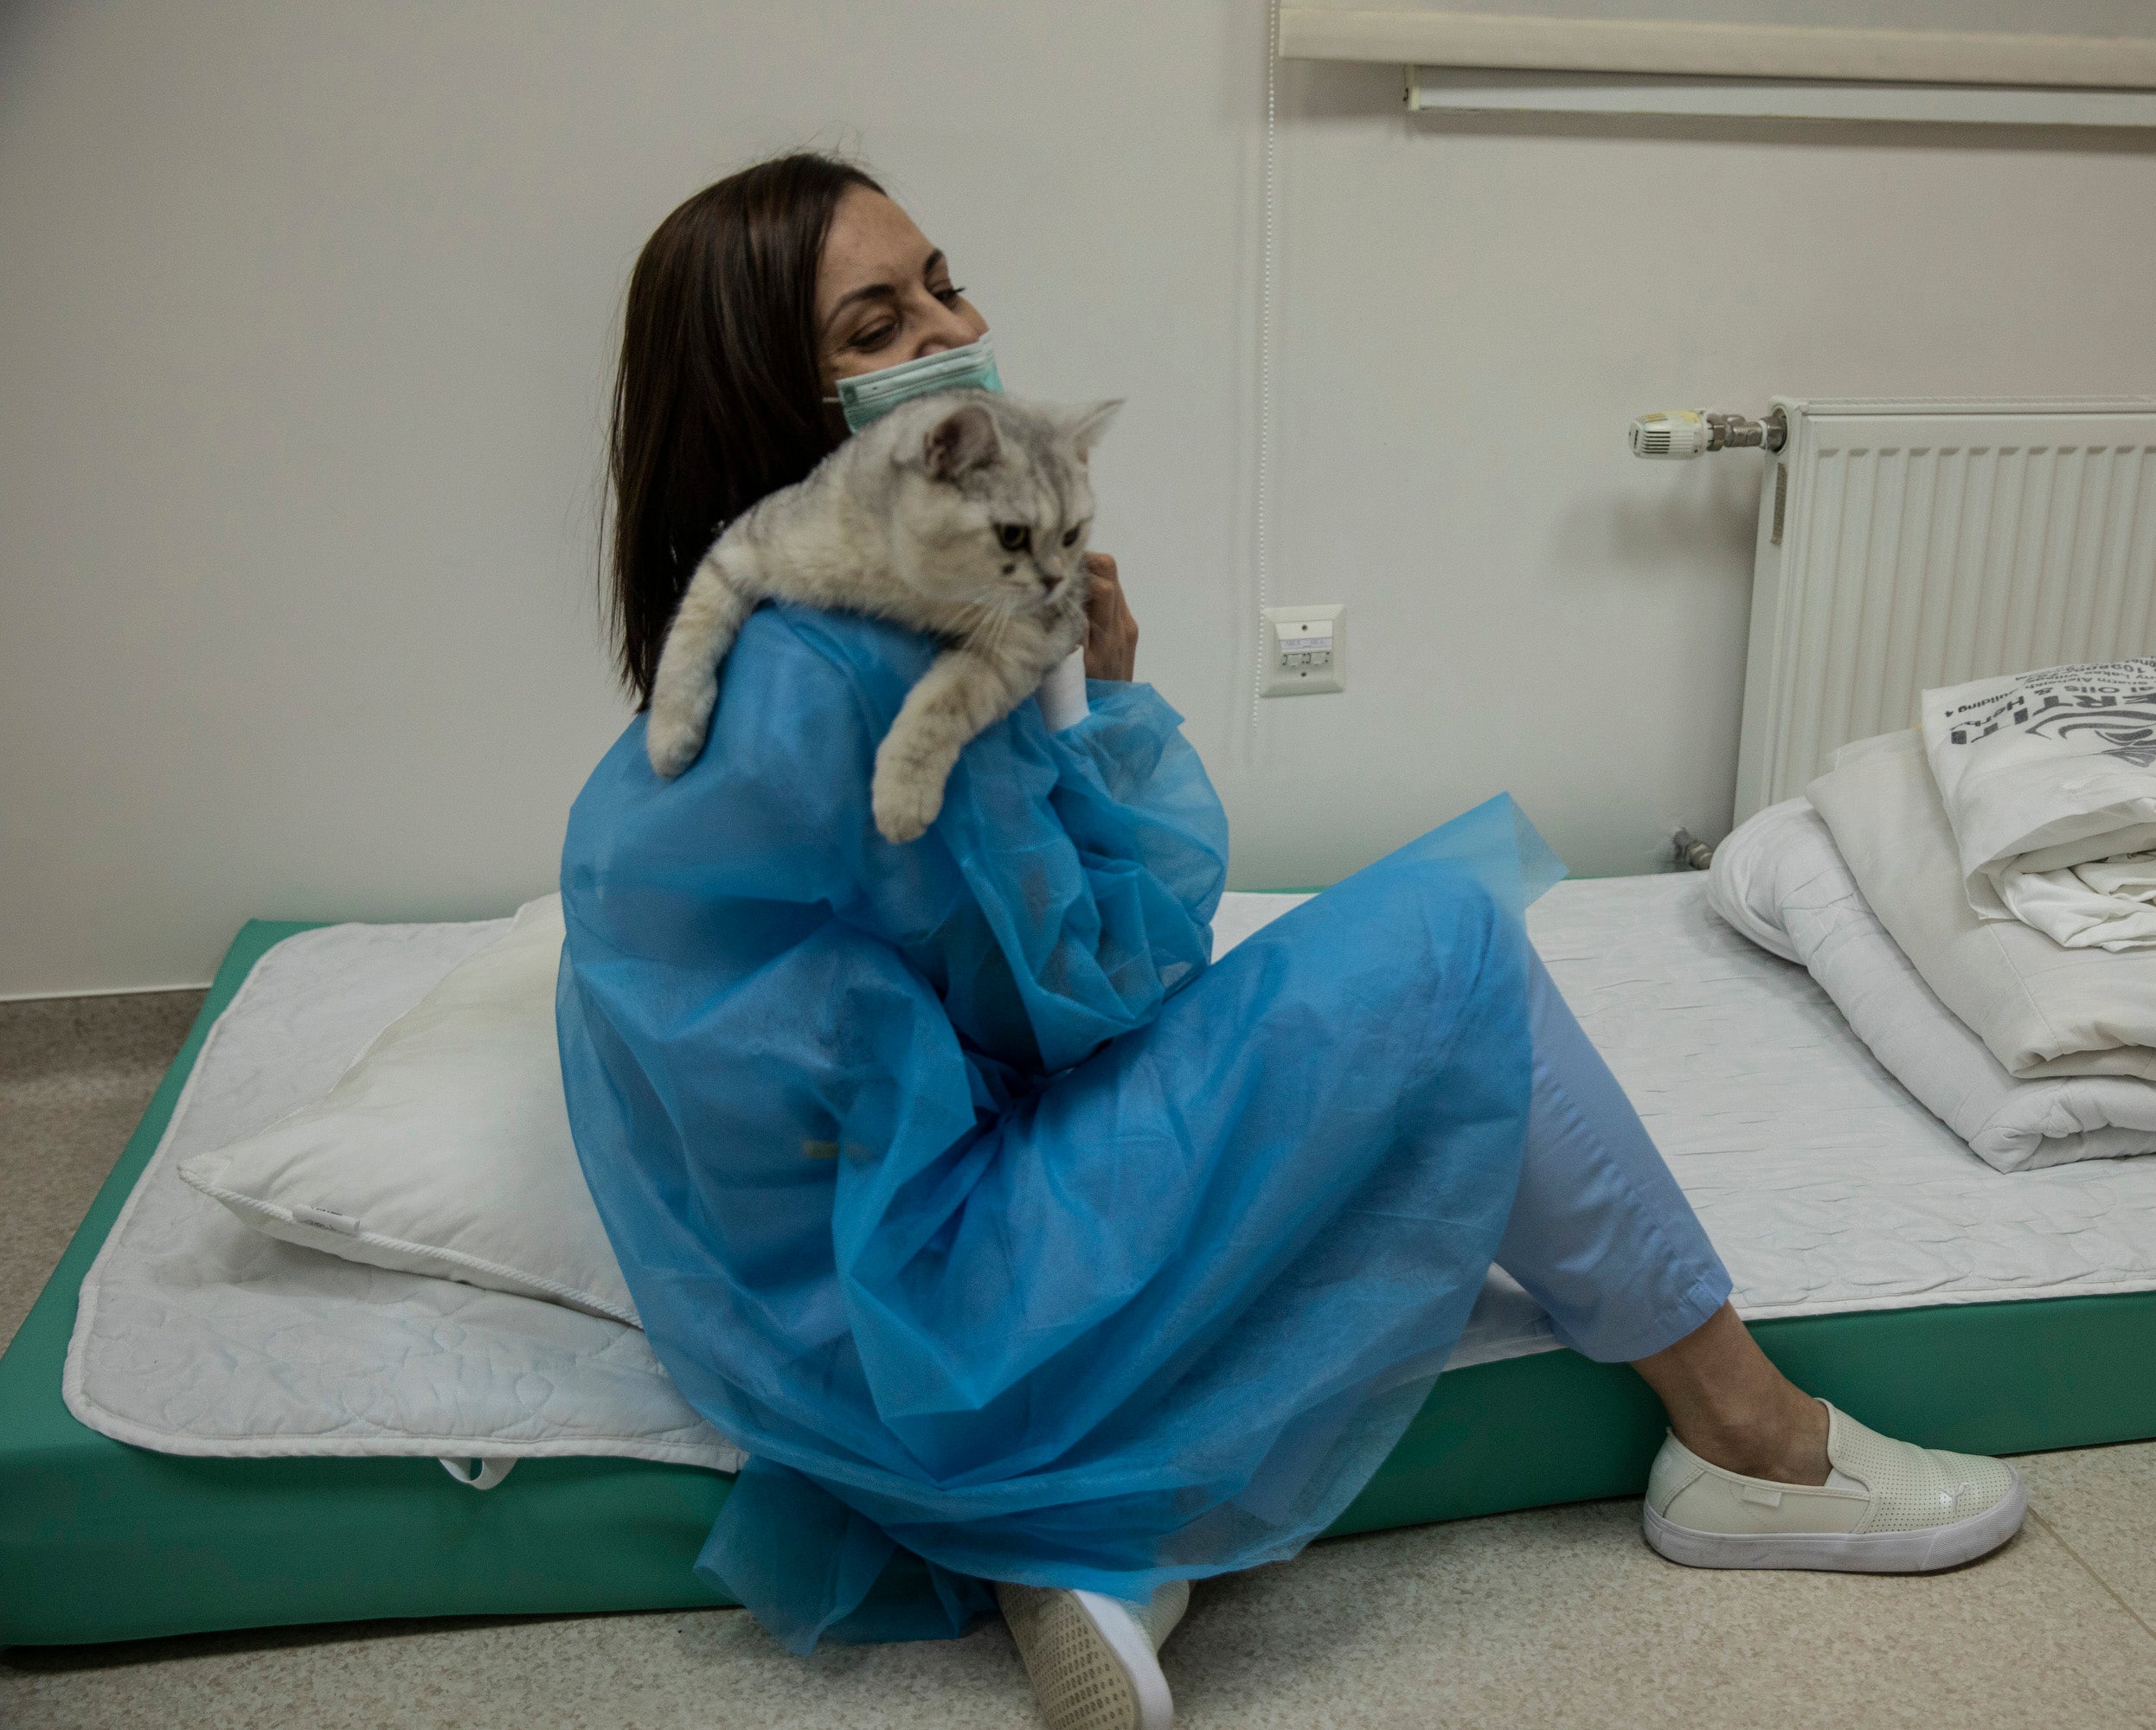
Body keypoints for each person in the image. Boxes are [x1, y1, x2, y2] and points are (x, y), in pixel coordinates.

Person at [558, 151, 2024, 1730]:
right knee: (1453, 953)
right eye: (876, 324)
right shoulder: (876, 660)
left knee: (1371, 1012)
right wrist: (1108, 702)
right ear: (782, 401)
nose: (951, 329)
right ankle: (1753, 1446)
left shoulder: (745, 660)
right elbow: (1103, 998)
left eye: (942, 283)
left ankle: (1100, 1547)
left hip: (809, 1349)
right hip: (949, 1328)